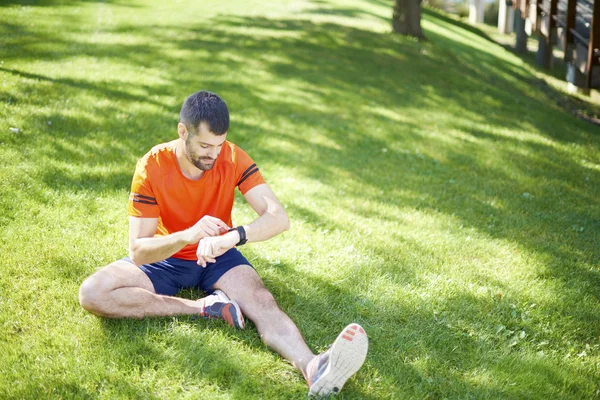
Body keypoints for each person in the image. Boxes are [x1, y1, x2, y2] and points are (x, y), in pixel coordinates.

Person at [78, 91, 368, 396]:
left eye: (218, 145)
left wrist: (232, 237)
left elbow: (278, 217)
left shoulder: (231, 156)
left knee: (261, 301)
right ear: (182, 131)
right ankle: (205, 307)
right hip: (168, 256)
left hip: (218, 255)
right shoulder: (152, 165)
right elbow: (138, 251)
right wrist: (190, 235)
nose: (213, 155)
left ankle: (314, 368)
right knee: (93, 292)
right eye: (204, 145)